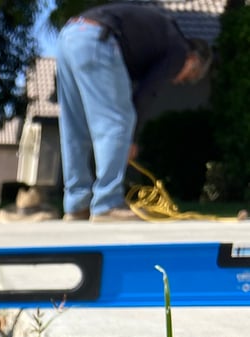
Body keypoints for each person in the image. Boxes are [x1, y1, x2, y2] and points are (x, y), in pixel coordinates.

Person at [55, 3, 212, 222]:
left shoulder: (158, 39)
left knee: (75, 126)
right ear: (193, 59)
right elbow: (146, 93)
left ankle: (76, 205)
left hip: (69, 37)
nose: (178, 80)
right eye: (188, 76)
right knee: (119, 121)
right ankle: (106, 204)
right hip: (98, 39)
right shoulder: (179, 50)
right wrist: (131, 139)